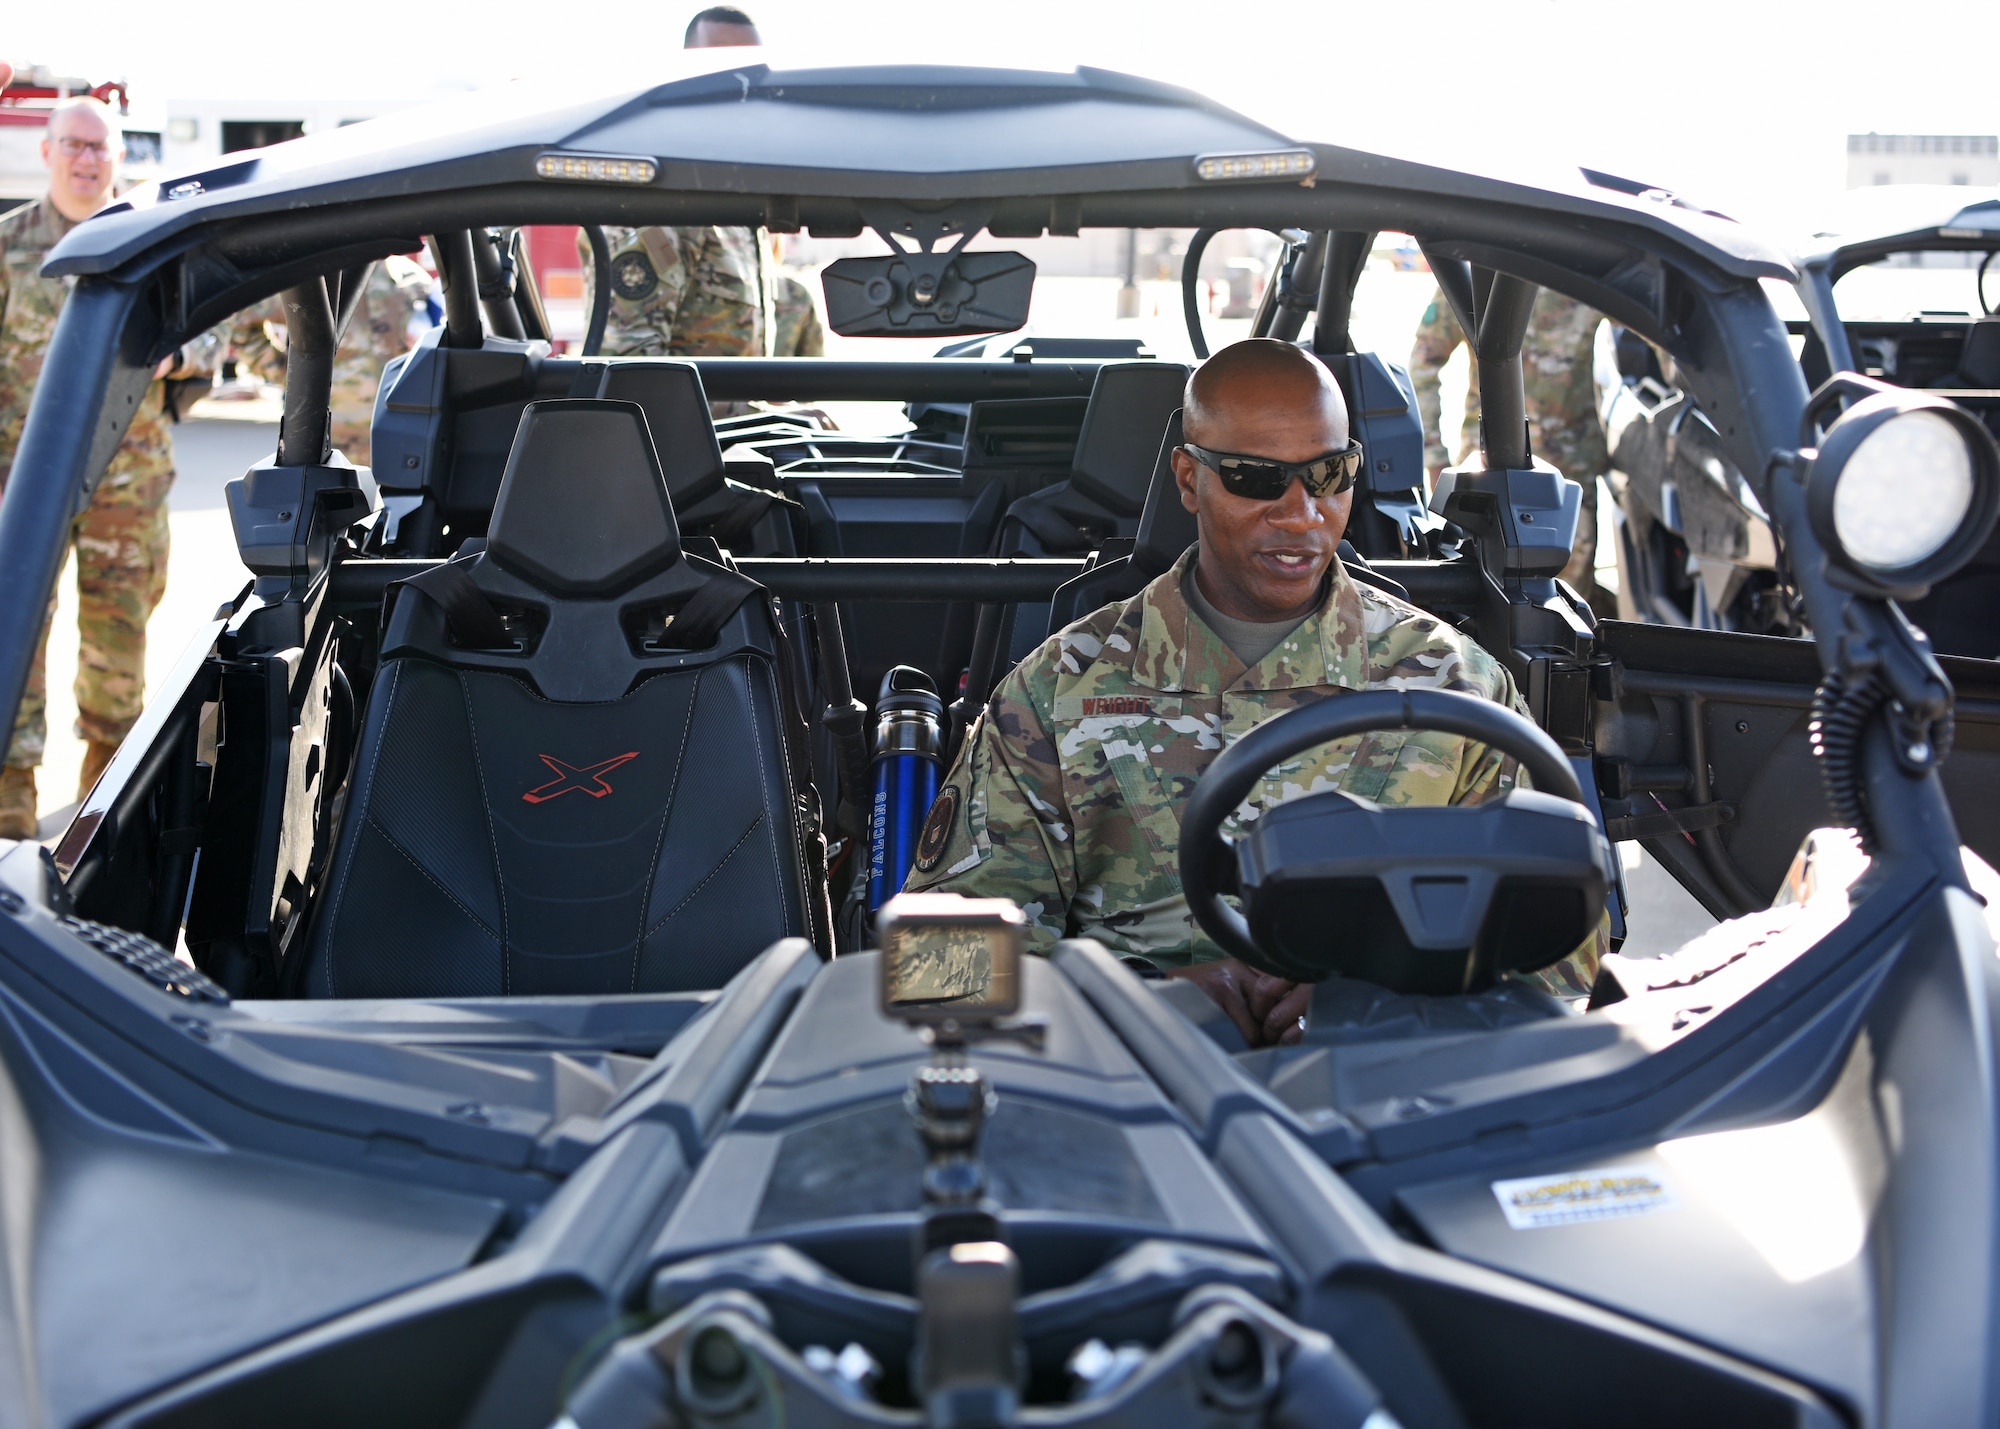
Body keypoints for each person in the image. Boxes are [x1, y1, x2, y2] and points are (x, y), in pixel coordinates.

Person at [904, 339, 1598, 1046]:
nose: (1301, 513)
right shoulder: (1057, 692)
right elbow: (936, 965)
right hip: (1135, 1088)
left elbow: (1567, 963)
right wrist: (1134, 999)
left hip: (1394, 1094)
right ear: (1188, 478)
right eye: (1255, 478)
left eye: (1330, 473)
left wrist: (1383, 991)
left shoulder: (1457, 686)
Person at [0, 97, 204, 838]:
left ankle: (104, 811)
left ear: (118, 157)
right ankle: (11, 808)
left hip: (127, 480)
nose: (88, 160)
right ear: (49, 150)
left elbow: (211, 330)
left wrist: (180, 354)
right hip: (24, 482)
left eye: (101, 148)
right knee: (11, 643)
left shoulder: (145, 242)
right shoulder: (11, 244)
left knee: (119, 648)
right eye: (75, 145)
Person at [1409, 286, 1607, 600]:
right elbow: (1422, 367)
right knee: (1484, 593)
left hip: (1569, 477)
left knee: (1567, 599)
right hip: (1489, 475)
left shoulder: (1579, 266)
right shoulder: (1479, 271)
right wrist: (1434, 453)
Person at [225, 255, 432, 467]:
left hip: (397, 433)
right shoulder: (318, 278)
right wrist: (287, 374)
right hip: (327, 436)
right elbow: (242, 319)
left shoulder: (411, 280)